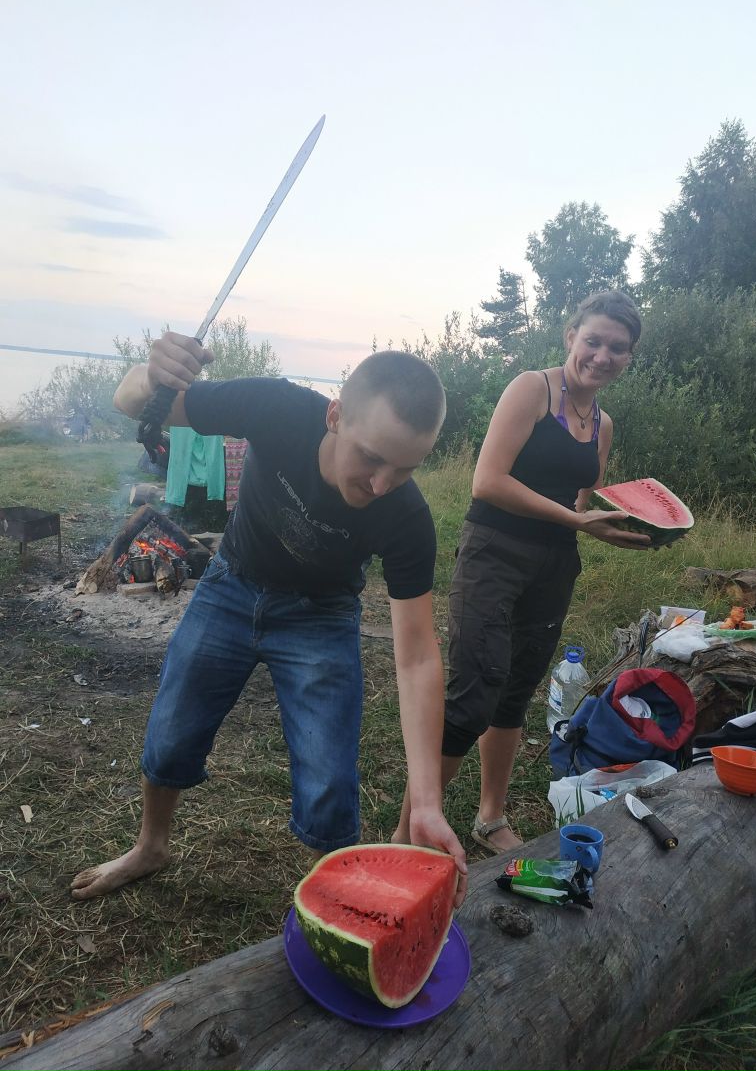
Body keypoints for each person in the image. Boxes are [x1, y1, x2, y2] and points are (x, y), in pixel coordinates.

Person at [71, 334, 467, 903]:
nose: (382, 484)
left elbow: (418, 657)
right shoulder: (278, 408)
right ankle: (150, 847)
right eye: (371, 457)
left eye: (405, 469)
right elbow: (130, 399)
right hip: (231, 585)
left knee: (328, 779)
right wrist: (152, 373)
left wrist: (426, 801)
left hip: (321, 616)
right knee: (172, 730)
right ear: (335, 416)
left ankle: (333, 901)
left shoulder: (406, 518)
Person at [394, 290, 650, 854]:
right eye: (593, 341)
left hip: (554, 563)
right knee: (472, 694)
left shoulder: (602, 424)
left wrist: (615, 525)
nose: (602, 356)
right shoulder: (533, 389)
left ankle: (489, 818)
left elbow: (582, 501)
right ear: (571, 337)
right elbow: (487, 481)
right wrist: (576, 521)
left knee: (515, 693)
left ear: (629, 357)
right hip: (494, 552)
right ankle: (409, 835)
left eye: (617, 348)